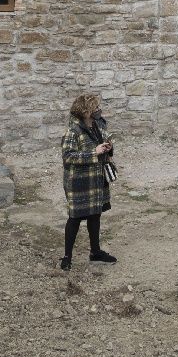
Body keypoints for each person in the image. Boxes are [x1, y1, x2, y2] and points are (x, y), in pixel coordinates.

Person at [59, 93, 118, 271]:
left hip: (97, 180)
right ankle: (67, 257)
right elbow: (68, 157)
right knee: (75, 218)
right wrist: (95, 152)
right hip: (79, 182)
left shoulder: (99, 124)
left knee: (95, 215)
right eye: (95, 107)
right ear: (86, 111)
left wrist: (108, 147)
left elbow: (105, 143)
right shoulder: (73, 130)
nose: (98, 109)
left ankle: (95, 252)